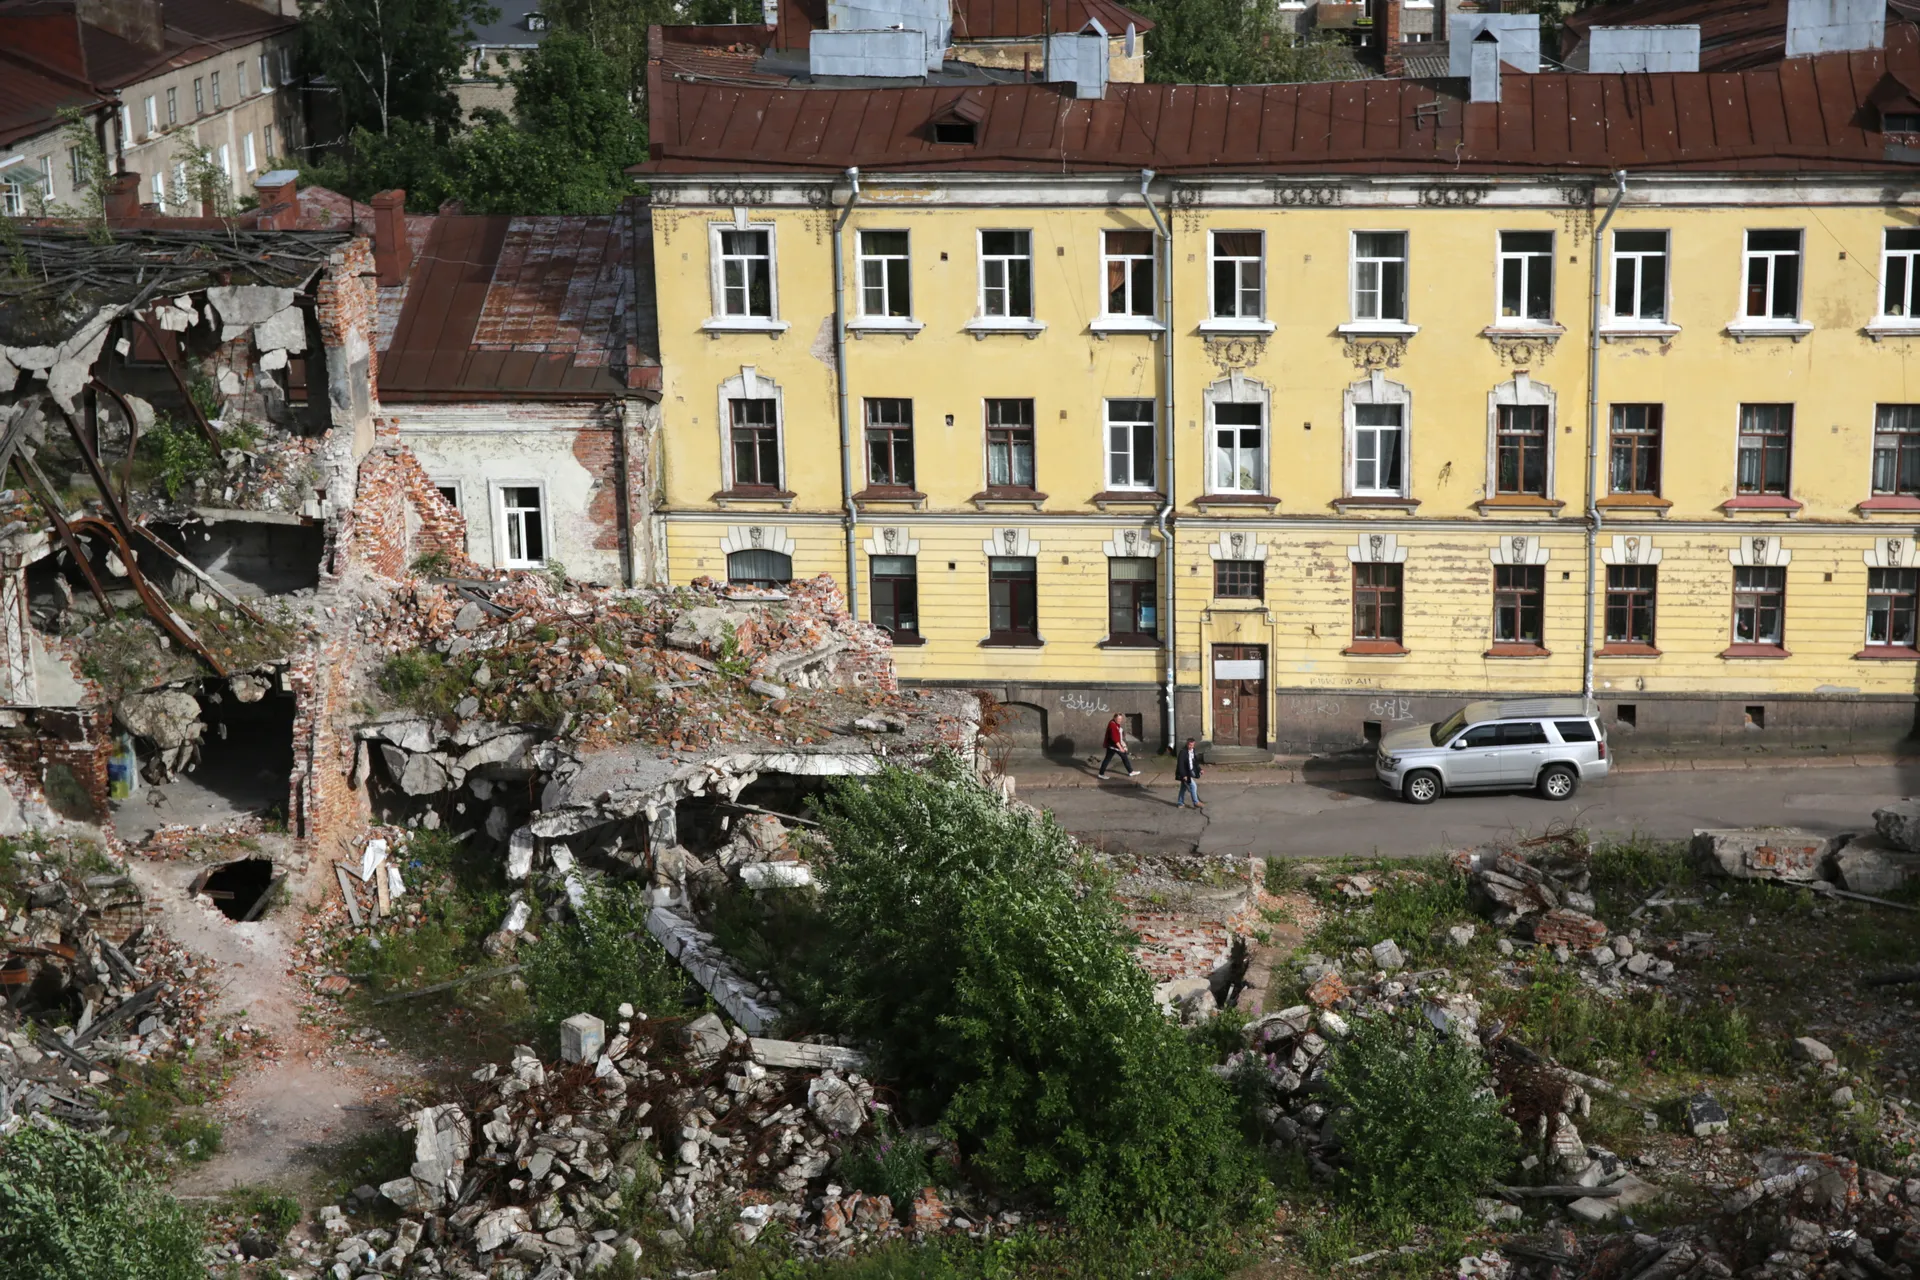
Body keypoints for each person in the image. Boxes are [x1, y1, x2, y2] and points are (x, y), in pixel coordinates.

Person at [1174, 737, 1203, 808]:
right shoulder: (1183, 752)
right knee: (1193, 786)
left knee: (1183, 788)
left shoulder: (1193, 750)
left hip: (1189, 771)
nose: (1191, 747)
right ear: (1187, 744)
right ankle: (1196, 802)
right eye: (1190, 745)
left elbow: (1195, 762)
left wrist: (1200, 769)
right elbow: (1180, 765)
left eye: (1192, 745)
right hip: (1185, 773)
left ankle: (1180, 803)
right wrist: (1184, 776)